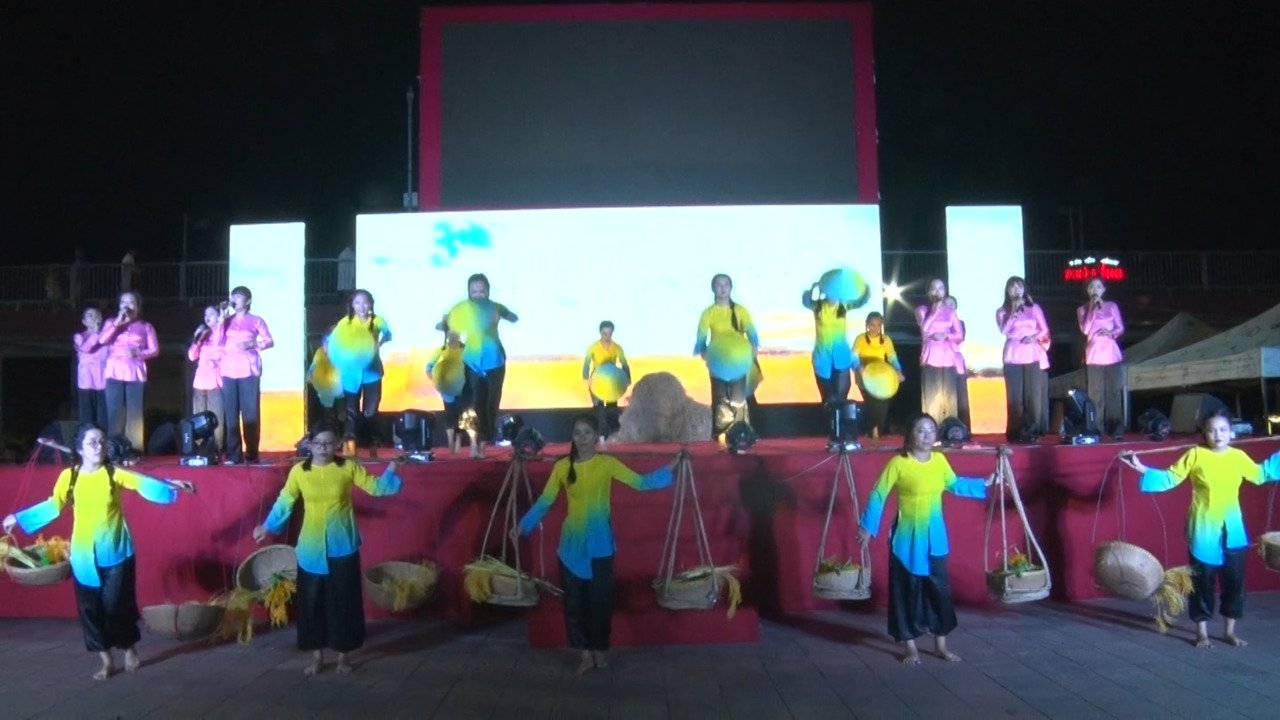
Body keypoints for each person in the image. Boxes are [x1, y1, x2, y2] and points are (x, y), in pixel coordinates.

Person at [3, 424, 194, 680]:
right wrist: (18, 518)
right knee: (90, 611)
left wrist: (170, 486)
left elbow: (142, 483)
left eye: (102, 441)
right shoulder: (69, 477)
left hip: (116, 552)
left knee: (117, 607)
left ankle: (128, 648)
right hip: (83, 555)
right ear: (80, 449)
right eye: (92, 442)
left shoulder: (113, 473)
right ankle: (106, 660)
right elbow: (53, 505)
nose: (99, 446)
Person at [512, 414, 682, 676]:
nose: (582, 438)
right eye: (577, 433)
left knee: (600, 604)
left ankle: (600, 649)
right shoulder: (562, 467)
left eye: (587, 433)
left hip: (601, 547)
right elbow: (545, 501)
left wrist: (672, 466)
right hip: (571, 548)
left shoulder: (606, 464)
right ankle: (585, 655)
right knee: (575, 605)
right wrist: (523, 525)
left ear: (596, 437)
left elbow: (640, 482)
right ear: (572, 437)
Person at [1120, 410, 1280, 649]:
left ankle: (1229, 631)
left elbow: (1261, 474)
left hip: (1233, 530)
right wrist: (1141, 467)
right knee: (1202, 583)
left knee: (1235, 583)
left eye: (1223, 430)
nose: (1218, 435)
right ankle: (1202, 633)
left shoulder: (1238, 457)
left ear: (1231, 433)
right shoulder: (1195, 455)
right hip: (1203, 529)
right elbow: (1171, 478)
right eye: (1212, 430)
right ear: (1204, 433)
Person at [253, 425, 403, 675]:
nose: (323, 448)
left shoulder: (348, 468)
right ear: (309, 444)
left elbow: (376, 487)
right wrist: (267, 526)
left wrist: (394, 467)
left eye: (329, 443)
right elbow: (285, 500)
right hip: (310, 550)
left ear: (337, 445)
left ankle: (343, 656)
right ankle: (317, 656)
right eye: (319, 443)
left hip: (342, 547)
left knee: (344, 603)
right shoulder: (299, 472)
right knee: (311, 605)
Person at [858, 413, 998, 665]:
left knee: (939, 591)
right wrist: (868, 527)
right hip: (906, 540)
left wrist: (984, 483)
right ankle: (910, 646)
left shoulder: (940, 461)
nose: (927, 435)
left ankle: (941, 645)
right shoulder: (898, 463)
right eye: (921, 430)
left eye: (931, 431)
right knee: (906, 592)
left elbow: (954, 484)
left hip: (935, 539)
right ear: (910, 435)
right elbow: (879, 493)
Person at [444, 273, 518, 459]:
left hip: (495, 362)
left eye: (482, 291)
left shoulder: (495, 307)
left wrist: (507, 315)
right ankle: (473, 444)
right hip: (472, 362)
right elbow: (452, 334)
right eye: (474, 291)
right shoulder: (460, 309)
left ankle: (483, 444)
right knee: (471, 404)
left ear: (488, 291)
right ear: (468, 292)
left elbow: (513, 317)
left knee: (491, 405)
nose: (478, 294)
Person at [694, 273, 759, 443]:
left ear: (731, 288)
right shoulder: (708, 313)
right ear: (713, 288)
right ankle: (722, 436)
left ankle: (741, 434)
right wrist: (703, 352)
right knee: (720, 397)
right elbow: (701, 336)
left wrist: (753, 348)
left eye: (726, 285)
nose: (722, 288)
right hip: (718, 361)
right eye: (718, 285)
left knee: (738, 398)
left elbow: (751, 332)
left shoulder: (739, 310)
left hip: (737, 360)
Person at [213, 286, 273, 464]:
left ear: (248, 301)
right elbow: (217, 342)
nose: (234, 299)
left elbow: (269, 341)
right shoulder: (226, 321)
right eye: (233, 296)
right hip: (228, 371)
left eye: (238, 296)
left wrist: (253, 344)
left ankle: (252, 454)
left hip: (249, 370)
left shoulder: (256, 320)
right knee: (231, 414)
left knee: (250, 414)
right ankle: (234, 454)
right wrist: (221, 320)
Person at [325, 290, 392, 451]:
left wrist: (379, 343)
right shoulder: (345, 322)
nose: (362, 307)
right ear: (352, 305)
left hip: (372, 372)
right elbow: (332, 341)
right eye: (357, 303)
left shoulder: (377, 320)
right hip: (350, 373)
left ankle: (371, 445)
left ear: (370, 304)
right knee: (351, 411)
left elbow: (388, 334)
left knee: (371, 410)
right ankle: (351, 447)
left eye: (365, 302)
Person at [96, 291, 158, 452]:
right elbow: (102, 340)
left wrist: (139, 352)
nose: (126, 305)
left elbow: (155, 350)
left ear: (137, 307)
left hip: (135, 372)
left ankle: (134, 450)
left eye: (131, 302)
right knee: (114, 412)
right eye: (123, 301)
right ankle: (113, 449)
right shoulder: (111, 322)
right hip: (114, 371)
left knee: (135, 414)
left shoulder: (145, 326)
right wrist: (117, 322)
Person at [802, 281, 860, 441]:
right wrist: (813, 287)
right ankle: (832, 432)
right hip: (822, 359)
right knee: (829, 398)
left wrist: (864, 289)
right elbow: (806, 301)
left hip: (841, 358)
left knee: (841, 397)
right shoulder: (818, 307)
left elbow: (860, 301)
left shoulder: (843, 306)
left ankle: (843, 434)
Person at [996, 276, 1050, 442]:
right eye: (1012, 287)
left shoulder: (1034, 308)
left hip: (1031, 353)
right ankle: (1016, 432)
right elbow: (1003, 330)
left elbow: (1044, 329)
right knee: (1015, 397)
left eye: (1019, 286)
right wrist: (1013, 313)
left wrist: (1033, 337)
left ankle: (1032, 430)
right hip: (1012, 354)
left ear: (1024, 289)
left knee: (1032, 395)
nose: (1016, 290)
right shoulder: (1002, 311)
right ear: (1007, 291)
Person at [1077, 278, 1126, 438]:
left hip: (1111, 353)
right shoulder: (1082, 310)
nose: (1095, 290)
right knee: (1095, 393)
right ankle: (1096, 427)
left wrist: (1111, 332)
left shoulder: (1111, 306)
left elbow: (1120, 327)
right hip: (1094, 354)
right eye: (1091, 287)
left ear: (1103, 290)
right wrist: (1092, 309)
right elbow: (1085, 330)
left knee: (1113, 392)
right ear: (1087, 290)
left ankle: (1115, 428)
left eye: (1098, 287)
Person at [916, 278, 965, 424]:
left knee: (949, 397)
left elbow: (960, 335)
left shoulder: (951, 312)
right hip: (930, 356)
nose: (937, 291)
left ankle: (949, 428)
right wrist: (934, 312)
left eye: (941, 288)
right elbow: (924, 330)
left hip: (948, 357)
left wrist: (946, 335)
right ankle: (932, 428)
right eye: (934, 288)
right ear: (929, 291)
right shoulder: (922, 310)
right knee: (932, 397)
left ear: (945, 292)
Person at [853, 311, 905, 439]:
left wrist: (898, 370)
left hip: (880, 376)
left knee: (881, 404)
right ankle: (872, 430)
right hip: (864, 375)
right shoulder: (860, 338)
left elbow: (892, 357)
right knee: (870, 403)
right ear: (867, 324)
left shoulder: (886, 339)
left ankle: (875, 429)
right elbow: (853, 356)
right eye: (872, 325)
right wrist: (859, 367)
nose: (875, 328)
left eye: (878, 325)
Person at [582, 320, 631, 444]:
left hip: (612, 382)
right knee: (599, 410)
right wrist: (586, 377)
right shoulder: (593, 347)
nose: (607, 336)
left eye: (609, 333)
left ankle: (613, 436)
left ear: (612, 333)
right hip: (597, 383)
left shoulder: (617, 348)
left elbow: (624, 363)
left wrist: (628, 378)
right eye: (604, 333)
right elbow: (587, 363)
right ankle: (601, 437)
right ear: (600, 333)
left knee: (612, 409)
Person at [187, 305, 225, 453]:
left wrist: (217, 362)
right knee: (198, 416)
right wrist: (196, 339)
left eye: (211, 314)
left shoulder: (223, 333)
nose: (207, 317)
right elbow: (192, 356)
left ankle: (216, 449)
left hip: (216, 381)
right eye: (205, 314)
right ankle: (199, 448)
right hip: (199, 381)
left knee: (216, 417)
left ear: (219, 316)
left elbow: (225, 352)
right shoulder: (203, 334)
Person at [426, 330, 468, 454]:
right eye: (450, 334)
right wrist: (435, 382)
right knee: (450, 413)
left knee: (461, 415)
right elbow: (428, 367)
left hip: (463, 388)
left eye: (455, 334)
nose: (452, 336)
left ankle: (458, 440)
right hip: (447, 390)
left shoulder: (465, 349)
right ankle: (450, 441)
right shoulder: (441, 350)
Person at [74, 306, 109, 429]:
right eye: (90, 315)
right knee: (87, 418)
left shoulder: (107, 336)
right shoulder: (80, 336)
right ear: (84, 321)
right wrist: (96, 332)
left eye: (96, 315)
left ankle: (104, 438)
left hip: (103, 379)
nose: (94, 317)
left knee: (104, 418)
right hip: (87, 380)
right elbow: (86, 348)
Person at [943, 296, 971, 428]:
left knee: (961, 397)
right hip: (941, 361)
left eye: (952, 304)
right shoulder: (936, 323)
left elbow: (959, 338)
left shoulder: (960, 323)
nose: (949, 306)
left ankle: (964, 428)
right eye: (946, 304)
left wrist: (945, 335)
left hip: (956, 360)